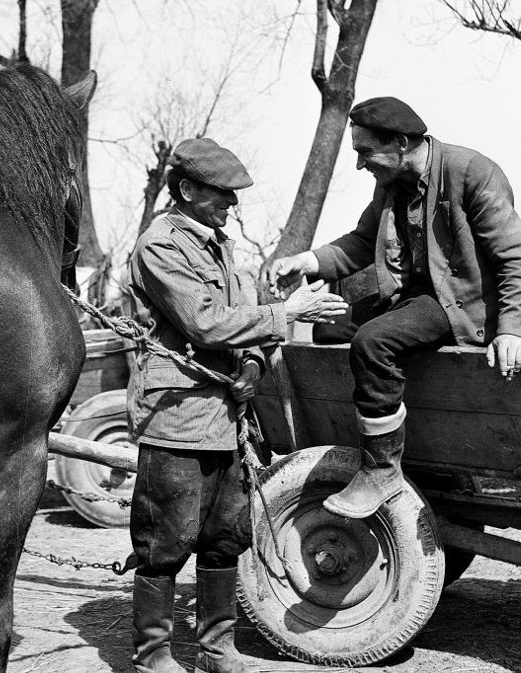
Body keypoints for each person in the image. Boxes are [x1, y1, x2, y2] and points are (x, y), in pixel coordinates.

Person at [127, 137, 347, 673]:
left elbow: (239, 322)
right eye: (222, 194)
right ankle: (152, 653)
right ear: (185, 190)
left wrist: (251, 368)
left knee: (226, 538)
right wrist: (288, 313)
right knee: (166, 541)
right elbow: (204, 321)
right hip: (177, 418)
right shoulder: (161, 247)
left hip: (227, 419)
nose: (232, 205)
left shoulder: (219, 246)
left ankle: (216, 647)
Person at [268, 96, 521, 520]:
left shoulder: (470, 172)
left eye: (364, 152)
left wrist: (513, 331)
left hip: (463, 307)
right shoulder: (392, 184)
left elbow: (517, 257)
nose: (360, 165)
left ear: (399, 143)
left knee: (372, 341)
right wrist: (308, 260)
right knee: (330, 328)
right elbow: (361, 241)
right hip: (419, 300)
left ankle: (381, 469)